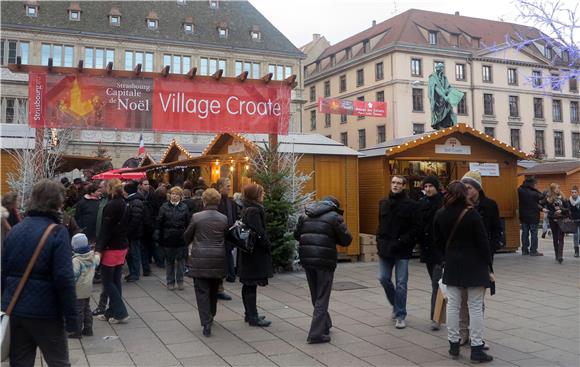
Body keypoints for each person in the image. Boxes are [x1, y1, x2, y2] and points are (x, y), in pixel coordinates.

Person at [1, 179, 77, 366]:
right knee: (58, 361)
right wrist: (72, 318)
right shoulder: (57, 232)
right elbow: (64, 279)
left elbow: (4, 271)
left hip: (15, 309)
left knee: (20, 362)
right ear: (57, 202)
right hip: (46, 313)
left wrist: (4, 303)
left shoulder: (15, 230)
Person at [433, 181, 493, 363]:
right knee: (475, 307)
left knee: (453, 306)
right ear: (464, 194)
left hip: (452, 265)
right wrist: (489, 265)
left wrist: (447, 257)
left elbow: (438, 242)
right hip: (475, 266)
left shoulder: (440, 214)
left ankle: (453, 345)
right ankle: (476, 349)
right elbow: (483, 243)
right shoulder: (472, 214)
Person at [294, 196, 352, 344]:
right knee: (322, 295)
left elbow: (297, 235)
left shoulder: (305, 214)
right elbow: (346, 240)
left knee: (316, 294)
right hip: (324, 260)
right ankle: (316, 334)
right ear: (334, 206)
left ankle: (325, 324)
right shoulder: (334, 217)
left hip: (307, 258)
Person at [459, 171, 501, 345]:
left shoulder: (490, 205)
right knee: (462, 298)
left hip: (482, 257)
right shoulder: (459, 205)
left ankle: (477, 334)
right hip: (462, 256)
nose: (466, 191)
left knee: (477, 300)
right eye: (464, 188)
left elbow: (496, 230)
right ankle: (463, 333)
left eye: (469, 187)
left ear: (477, 188)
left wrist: (490, 249)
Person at [183, 188, 229, 337]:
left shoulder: (197, 217)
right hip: (217, 257)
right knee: (214, 289)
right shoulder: (223, 218)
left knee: (201, 291)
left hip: (200, 258)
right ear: (218, 201)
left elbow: (187, 236)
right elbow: (226, 237)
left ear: (204, 201)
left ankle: (206, 322)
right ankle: (212, 314)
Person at [376, 175, 419, 329]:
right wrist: (379, 242)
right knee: (383, 278)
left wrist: (402, 241)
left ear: (404, 186)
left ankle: (400, 315)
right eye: (393, 182)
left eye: (398, 183)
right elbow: (380, 226)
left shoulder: (411, 205)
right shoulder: (383, 203)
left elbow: (415, 228)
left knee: (401, 283)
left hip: (402, 249)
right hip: (385, 249)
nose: (395, 185)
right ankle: (397, 305)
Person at [238, 184, 273, 327]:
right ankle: (253, 316)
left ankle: (249, 314)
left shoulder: (248, 208)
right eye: (261, 192)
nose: (263, 194)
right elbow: (258, 232)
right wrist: (267, 244)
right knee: (251, 284)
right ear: (255, 195)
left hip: (249, 254)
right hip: (253, 255)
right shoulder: (254, 210)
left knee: (248, 284)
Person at [95, 179, 130, 324]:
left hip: (111, 248)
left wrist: (99, 249)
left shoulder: (112, 205)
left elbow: (105, 230)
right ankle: (112, 312)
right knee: (115, 280)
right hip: (122, 246)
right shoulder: (125, 203)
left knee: (108, 281)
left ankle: (120, 312)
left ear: (110, 188)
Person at [417, 176, 444, 331]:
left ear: (436, 187)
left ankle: (436, 317)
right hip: (427, 250)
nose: (427, 189)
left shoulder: (442, 203)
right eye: (425, 186)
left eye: (430, 186)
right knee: (435, 283)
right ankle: (439, 315)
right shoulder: (422, 204)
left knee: (436, 284)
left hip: (439, 251)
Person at [156, 186, 190, 290]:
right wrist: (158, 236)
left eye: (177, 194)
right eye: (173, 194)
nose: (174, 196)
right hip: (168, 237)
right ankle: (170, 281)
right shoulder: (164, 207)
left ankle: (180, 281)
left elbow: (188, 222)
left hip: (181, 237)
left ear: (180, 196)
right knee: (169, 261)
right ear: (169, 195)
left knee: (181, 261)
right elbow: (159, 222)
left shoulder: (184, 207)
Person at [69, 233, 101, 339]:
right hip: (88, 289)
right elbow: (97, 260)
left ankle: (76, 331)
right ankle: (88, 329)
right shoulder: (92, 257)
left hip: (78, 290)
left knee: (78, 310)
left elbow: (74, 275)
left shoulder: (76, 260)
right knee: (87, 308)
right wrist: (98, 253)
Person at [216, 177, 237, 289]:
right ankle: (224, 275)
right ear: (220, 187)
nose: (230, 188)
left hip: (229, 234)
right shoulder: (216, 201)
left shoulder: (231, 202)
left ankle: (230, 275)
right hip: (219, 234)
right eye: (227, 186)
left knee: (228, 253)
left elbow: (234, 217)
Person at [542, 183, 570, 264]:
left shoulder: (563, 198)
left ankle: (560, 255)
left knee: (561, 237)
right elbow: (540, 203)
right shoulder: (548, 199)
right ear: (552, 189)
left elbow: (568, 208)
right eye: (556, 188)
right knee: (555, 237)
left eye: (559, 188)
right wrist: (543, 209)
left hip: (561, 219)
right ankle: (556, 254)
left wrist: (562, 210)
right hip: (553, 220)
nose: (558, 189)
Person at [124, 180, 145, 282]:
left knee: (135, 253)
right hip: (132, 232)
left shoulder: (135, 201)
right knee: (130, 254)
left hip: (134, 233)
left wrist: (128, 230)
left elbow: (136, 219)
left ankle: (135, 273)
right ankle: (132, 272)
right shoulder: (131, 200)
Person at [518, 176, 544, 256]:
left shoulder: (520, 190)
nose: (536, 185)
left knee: (525, 233)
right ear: (532, 184)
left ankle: (524, 250)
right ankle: (533, 250)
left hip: (523, 215)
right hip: (533, 216)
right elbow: (541, 197)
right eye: (535, 184)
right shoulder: (534, 193)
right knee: (533, 233)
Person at [428, 62, 457, 129]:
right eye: (440, 67)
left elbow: (448, 87)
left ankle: (447, 125)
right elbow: (436, 88)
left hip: (445, 100)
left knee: (449, 110)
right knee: (439, 112)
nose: (442, 69)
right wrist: (444, 96)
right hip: (437, 99)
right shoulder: (433, 77)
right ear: (437, 68)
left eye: (442, 67)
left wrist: (452, 91)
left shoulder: (444, 77)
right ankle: (439, 125)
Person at [570, 186, 580, 258]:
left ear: (578, 192)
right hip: (574, 221)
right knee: (575, 236)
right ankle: (576, 251)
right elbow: (568, 211)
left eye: (575, 192)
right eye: (572, 192)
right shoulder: (569, 201)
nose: (574, 194)